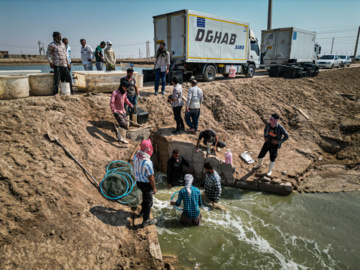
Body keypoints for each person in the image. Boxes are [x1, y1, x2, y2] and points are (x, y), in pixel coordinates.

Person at [133, 139, 157, 227]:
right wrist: (154, 188)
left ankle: (141, 212)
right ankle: (146, 221)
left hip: (138, 182)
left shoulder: (136, 157)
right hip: (146, 184)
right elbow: (151, 177)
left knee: (144, 197)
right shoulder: (148, 162)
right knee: (148, 203)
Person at [47, 31, 71, 95]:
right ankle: (56, 92)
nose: (60, 38)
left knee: (68, 78)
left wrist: (68, 63)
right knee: (57, 79)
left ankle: (71, 90)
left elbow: (65, 54)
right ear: (54, 37)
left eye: (60, 37)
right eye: (58, 37)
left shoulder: (63, 45)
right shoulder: (51, 45)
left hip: (64, 64)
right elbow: (49, 54)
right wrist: (50, 62)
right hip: (57, 64)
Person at [110, 79, 133, 144]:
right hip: (117, 112)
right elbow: (112, 103)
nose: (127, 89)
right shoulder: (115, 93)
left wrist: (131, 105)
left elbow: (126, 100)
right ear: (122, 86)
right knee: (122, 123)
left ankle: (123, 137)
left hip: (123, 111)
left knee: (126, 124)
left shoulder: (124, 93)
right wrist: (114, 111)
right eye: (126, 88)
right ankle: (119, 136)